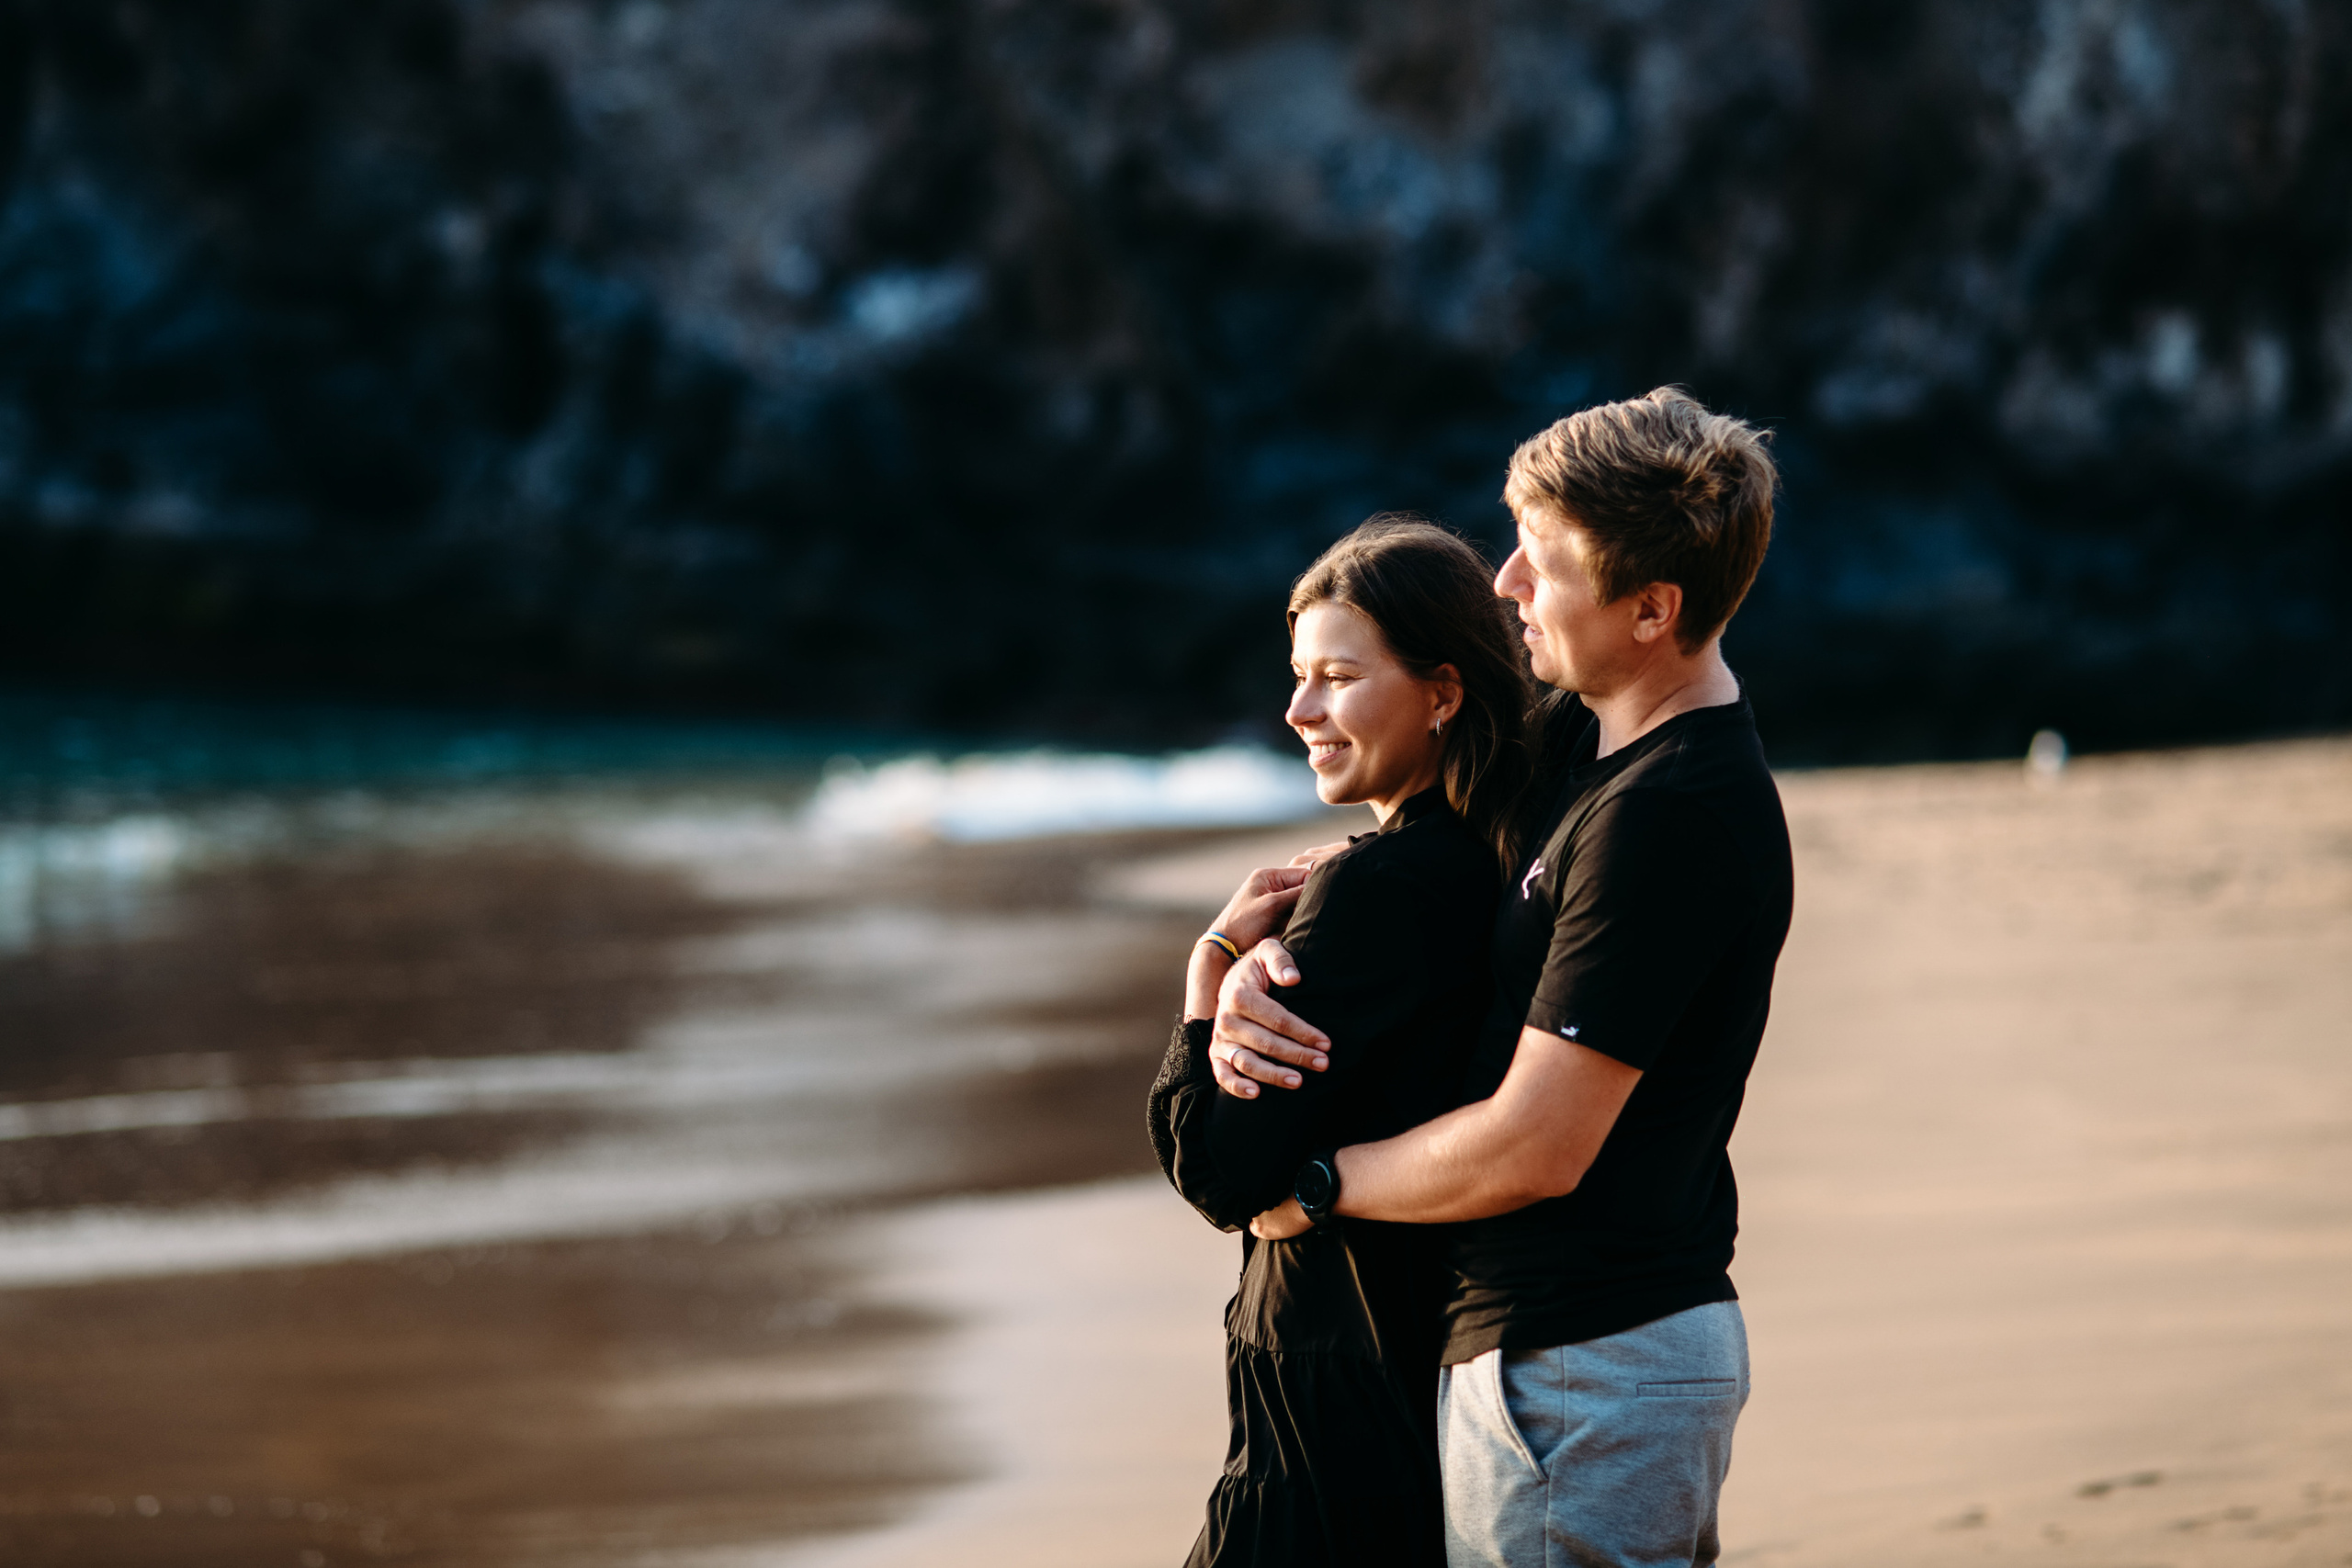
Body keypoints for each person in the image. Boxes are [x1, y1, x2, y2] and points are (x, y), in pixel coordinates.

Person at [1210, 389, 1792, 1568]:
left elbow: (1539, 1142)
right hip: (1566, 1361)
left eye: (1545, 558)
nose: (1506, 583)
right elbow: (1437, 806)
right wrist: (1234, 962)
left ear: (1651, 609)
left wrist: (1313, 1184)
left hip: (1586, 1371)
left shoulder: (1666, 817)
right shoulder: (1595, 755)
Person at [1147, 518, 1533, 1568]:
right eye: (1296, 676)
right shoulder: (1495, 869)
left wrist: (1209, 968)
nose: (1298, 709)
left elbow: (1221, 1168)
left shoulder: (1376, 891)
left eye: (1336, 677)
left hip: (1328, 1396)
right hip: (1418, 1366)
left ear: (1442, 692)